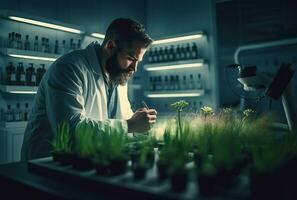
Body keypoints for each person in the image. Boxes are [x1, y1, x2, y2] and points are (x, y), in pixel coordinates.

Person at [21, 18, 157, 160]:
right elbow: (70, 133)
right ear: (110, 46)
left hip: (87, 163)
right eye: (130, 58)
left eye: (138, 62)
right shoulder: (69, 68)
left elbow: (118, 126)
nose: (134, 68)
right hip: (44, 165)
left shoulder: (118, 76)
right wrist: (130, 125)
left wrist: (140, 127)